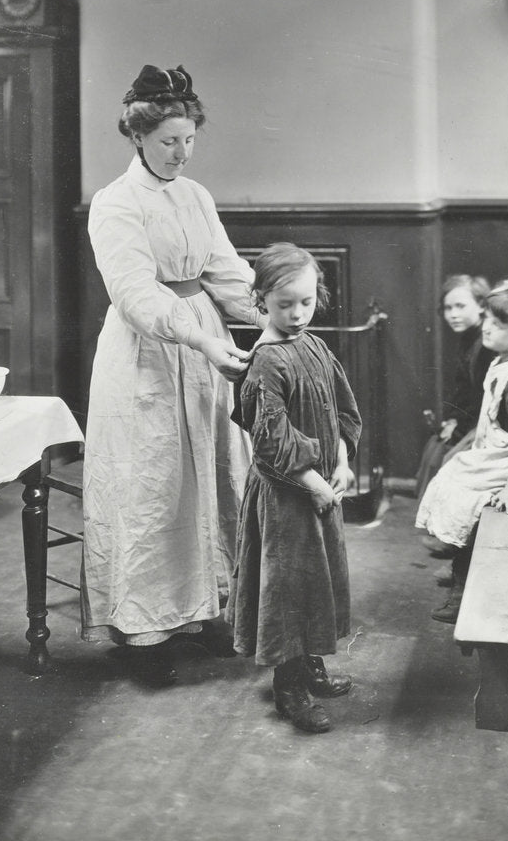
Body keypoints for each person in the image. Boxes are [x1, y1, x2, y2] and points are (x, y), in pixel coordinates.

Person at [81, 64, 265, 686]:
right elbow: (135, 294)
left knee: (210, 475)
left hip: (201, 343)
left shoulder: (195, 195)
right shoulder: (115, 202)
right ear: (138, 137)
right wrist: (201, 338)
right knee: (153, 484)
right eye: (168, 142)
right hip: (146, 354)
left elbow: (224, 270)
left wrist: (268, 316)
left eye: (189, 140)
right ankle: (143, 634)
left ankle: (201, 611)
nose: (181, 153)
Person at [227, 243, 362, 733]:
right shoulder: (266, 363)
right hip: (287, 499)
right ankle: (290, 687)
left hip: (322, 491)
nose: (298, 313)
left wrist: (342, 463)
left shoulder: (314, 346)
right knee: (287, 589)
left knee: (318, 581)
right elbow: (270, 441)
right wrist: (312, 482)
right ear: (261, 300)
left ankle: (312, 665)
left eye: (306, 302)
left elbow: (342, 408)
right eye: (285, 305)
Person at [415, 278, 508, 623]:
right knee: (454, 473)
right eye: (487, 319)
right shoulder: (504, 360)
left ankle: (465, 586)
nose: (487, 328)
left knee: (469, 494)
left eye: (498, 325)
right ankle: (461, 566)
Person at [416, 274, 494, 498]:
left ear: (481, 305)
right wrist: (452, 419)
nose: (453, 314)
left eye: (460, 306)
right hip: (467, 421)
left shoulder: (486, 343)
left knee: (441, 456)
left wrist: (457, 429)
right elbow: (463, 391)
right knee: (433, 449)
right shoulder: (468, 338)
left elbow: (482, 399)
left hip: (481, 427)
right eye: (448, 308)